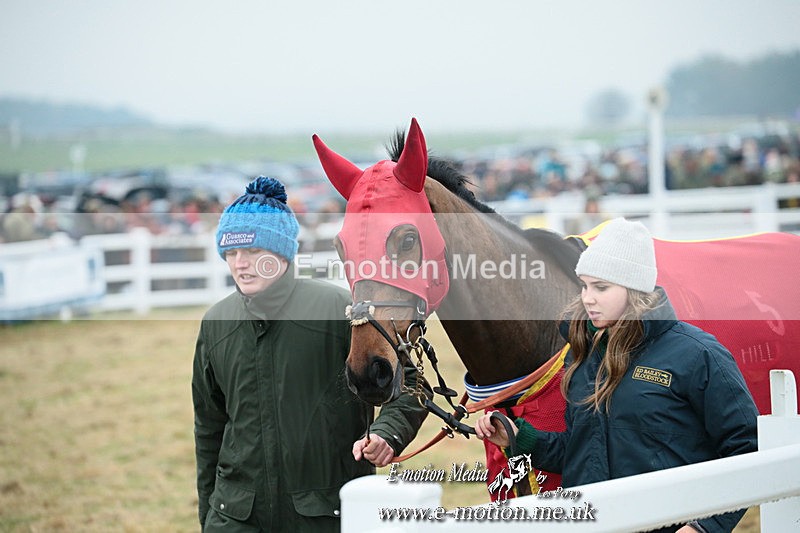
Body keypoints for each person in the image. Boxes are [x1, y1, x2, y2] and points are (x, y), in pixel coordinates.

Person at [475, 217, 758, 533]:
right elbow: (582, 452)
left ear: (634, 289)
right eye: (584, 285)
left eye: (601, 287)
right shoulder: (582, 356)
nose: (587, 297)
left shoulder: (697, 354)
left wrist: (704, 527)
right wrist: (521, 439)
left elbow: (746, 447)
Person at [192, 176, 430, 532]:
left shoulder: (338, 309)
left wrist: (387, 433)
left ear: (282, 253)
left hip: (324, 516)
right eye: (232, 252)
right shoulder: (215, 325)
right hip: (236, 518)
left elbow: (414, 382)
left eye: (254, 251)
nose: (241, 263)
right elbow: (208, 428)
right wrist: (210, 518)